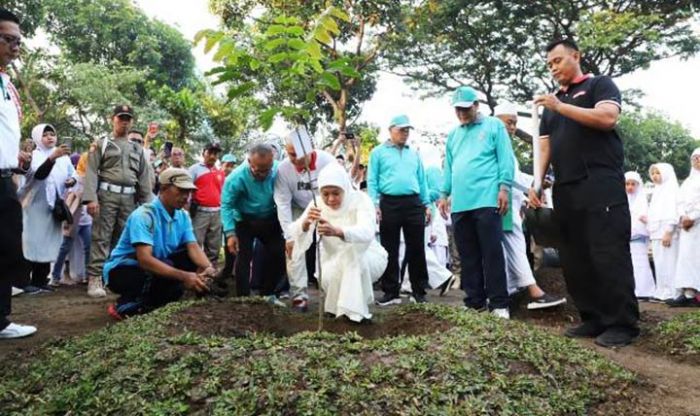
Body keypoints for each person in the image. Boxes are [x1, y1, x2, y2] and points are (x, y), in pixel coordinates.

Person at [529, 38, 639, 347]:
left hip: (600, 182)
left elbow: (607, 118)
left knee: (607, 253)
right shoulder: (553, 105)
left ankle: (622, 324)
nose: (554, 68)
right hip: (565, 187)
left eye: (559, 60)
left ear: (576, 56)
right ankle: (592, 318)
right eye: (550, 64)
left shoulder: (598, 86)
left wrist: (561, 106)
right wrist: (537, 184)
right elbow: (545, 145)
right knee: (574, 257)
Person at [438, 87, 514, 319]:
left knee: (491, 252)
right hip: (461, 203)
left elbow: (505, 158)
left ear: (476, 105)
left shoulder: (494, 126)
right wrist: (443, 193)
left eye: (465, 108)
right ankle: (474, 301)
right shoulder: (453, 135)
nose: (461, 113)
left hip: (487, 199)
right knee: (468, 255)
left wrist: (504, 187)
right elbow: (449, 166)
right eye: (457, 109)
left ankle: (499, 303)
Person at [103, 168, 214, 319]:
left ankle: (155, 299)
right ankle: (124, 305)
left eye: (188, 192)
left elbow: (193, 246)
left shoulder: (183, 216)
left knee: (185, 260)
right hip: (123, 269)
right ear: (163, 188)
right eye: (181, 191)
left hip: (156, 264)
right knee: (156, 282)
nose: (186, 197)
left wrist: (208, 268)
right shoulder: (144, 215)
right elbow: (145, 259)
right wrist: (184, 276)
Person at [289, 164, 388, 321]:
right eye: (325, 194)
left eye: (336, 193)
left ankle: (355, 314)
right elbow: (295, 231)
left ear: (345, 188)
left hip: (368, 258)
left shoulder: (360, 199)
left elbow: (367, 231)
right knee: (342, 261)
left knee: (351, 255)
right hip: (330, 262)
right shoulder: (317, 203)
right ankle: (340, 309)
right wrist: (306, 223)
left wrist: (338, 231)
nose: (331, 199)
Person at [494, 102, 566, 310]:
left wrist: (537, 181)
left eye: (515, 124)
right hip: (502, 205)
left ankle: (511, 291)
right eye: (509, 123)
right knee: (513, 246)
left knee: (509, 248)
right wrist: (531, 187)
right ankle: (532, 290)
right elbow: (506, 179)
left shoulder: (506, 148)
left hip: (513, 205)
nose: (512, 128)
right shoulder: (495, 146)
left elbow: (515, 177)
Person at [83, 105, 153, 298]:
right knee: (101, 237)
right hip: (107, 195)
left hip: (129, 198)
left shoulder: (136, 148)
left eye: (128, 118)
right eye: (121, 117)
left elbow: (144, 178)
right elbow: (91, 172)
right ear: (112, 119)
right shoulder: (102, 143)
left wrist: (148, 205)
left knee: (123, 239)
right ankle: (95, 278)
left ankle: (114, 278)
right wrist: (91, 198)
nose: (124, 121)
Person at [0, 8, 37, 339]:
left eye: (18, 41)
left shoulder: (5, 83)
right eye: (8, 39)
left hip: (5, 176)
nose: (15, 47)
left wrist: (15, 156)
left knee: (6, 245)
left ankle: (1, 320)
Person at [368, 114, 431, 305]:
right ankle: (390, 291)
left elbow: (422, 180)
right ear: (391, 130)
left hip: (413, 202)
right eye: (401, 130)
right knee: (390, 248)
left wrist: (426, 204)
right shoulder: (378, 152)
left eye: (407, 130)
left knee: (417, 247)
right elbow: (372, 180)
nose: (405, 134)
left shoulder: (414, 153)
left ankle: (419, 290)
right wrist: (374, 204)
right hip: (389, 202)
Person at [274, 129, 335, 311]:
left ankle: (332, 290)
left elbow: (342, 191)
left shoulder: (328, 163)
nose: (292, 158)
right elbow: (282, 203)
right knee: (294, 249)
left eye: (296, 154)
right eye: (289, 153)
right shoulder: (283, 169)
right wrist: (289, 236)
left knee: (330, 245)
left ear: (310, 150)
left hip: (325, 206)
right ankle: (299, 295)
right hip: (297, 209)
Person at [221, 142, 285, 304]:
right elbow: (227, 205)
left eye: (267, 169)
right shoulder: (235, 178)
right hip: (245, 220)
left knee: (277, 253)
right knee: (243, 257)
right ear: (250, 162)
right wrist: (230, 233)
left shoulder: (279, 169)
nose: (264, 174)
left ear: (273, 161)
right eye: (259, 169)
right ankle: (243, 298)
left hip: (270, 218)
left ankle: (268, 294)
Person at [50, 152, 92, 286]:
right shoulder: (75, 178)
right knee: (64, 248)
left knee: (88, 247)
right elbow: (68, 199)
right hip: (73, 219)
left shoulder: (94, 179)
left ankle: (87, 276)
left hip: (86, 221)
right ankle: (56, 276)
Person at [668, 149, 700, 307]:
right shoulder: (688, 182)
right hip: (686, 227)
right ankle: (688, 293)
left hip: (698, 224)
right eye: (695, 158)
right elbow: (679, 201)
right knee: (686, 259)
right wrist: (683, 217)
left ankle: (696, 294)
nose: (697, 160)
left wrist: (693, 218)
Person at [189, 142, 225, 267]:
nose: (213, 156)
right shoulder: (194, 169)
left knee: (214, 246)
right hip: (200, 212)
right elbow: (187, 191)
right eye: (210, 152)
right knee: (195, 243)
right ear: (203, 152)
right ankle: (194, 276)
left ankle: (210, 277)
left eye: (215, 153)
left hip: (217, 212)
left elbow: (223, 192)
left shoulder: (220, 171)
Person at [647, 163, 680, 303]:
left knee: (670, 262)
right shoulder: (657, 191)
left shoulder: (672, 190)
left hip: (668, 232)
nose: (655, 176)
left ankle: (673, 293)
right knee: (660, 263)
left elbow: (674, 212)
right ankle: (661, 292)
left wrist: (669, 231)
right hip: (656, 232)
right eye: (653, 173)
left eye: (658, 173)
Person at [624, 171, 655, 300]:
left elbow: (646, 219)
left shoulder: (642, 201)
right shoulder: (622, 200)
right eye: (627, 184)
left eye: (633, 184)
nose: (630, 187)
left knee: (640, 265)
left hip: (638, 239)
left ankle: (644, 291)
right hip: (625, 239)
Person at [218, 154, 238, 284]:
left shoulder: (235, 178)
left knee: (231, 241)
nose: (229, 168)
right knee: (218, 244)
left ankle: (232, 270)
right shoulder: (217, 176)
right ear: (222, 165)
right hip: (217, 212)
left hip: (232, 215)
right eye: (227, 165)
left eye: (232, 165)